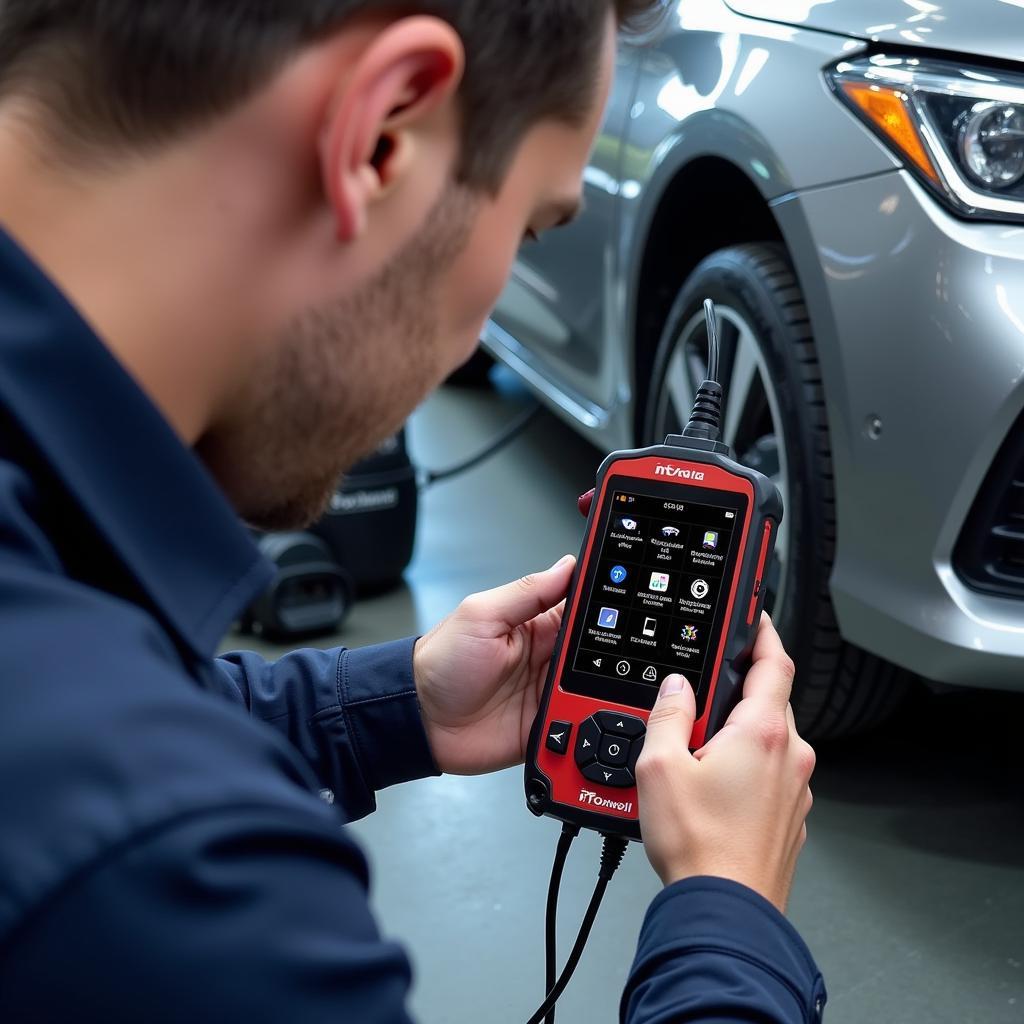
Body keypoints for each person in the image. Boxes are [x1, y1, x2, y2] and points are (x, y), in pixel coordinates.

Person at [0, 2, 824, 1021]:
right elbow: (121, 790)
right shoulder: (188, 884)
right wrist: (729, 915)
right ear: (383, 135)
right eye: (527, 225)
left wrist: (392, 709)